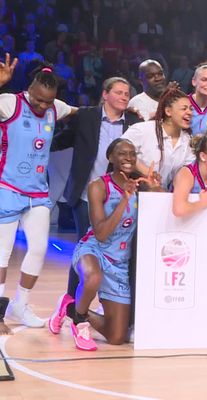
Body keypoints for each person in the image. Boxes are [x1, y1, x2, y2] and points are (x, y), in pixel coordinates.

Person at [48, 77, 143, 335]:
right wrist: (37, 144)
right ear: (105, 94)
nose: (125, 96)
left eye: (127, 93)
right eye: (119, 92)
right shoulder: (87, 116)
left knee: (117, 248)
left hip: (122, 193)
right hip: (87, 193)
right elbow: (63, 139)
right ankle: (74, 308)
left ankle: (98, 306)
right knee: (88, 250)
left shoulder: (134, 123)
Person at [0, 58, 78, 335]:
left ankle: (21, 305)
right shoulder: (10, 103)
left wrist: (122, 108)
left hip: (38, 193)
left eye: (49, 102)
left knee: (38, 249)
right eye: (38, 100)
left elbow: (82, 113)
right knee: (2, 255)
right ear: (29, 89)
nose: (43, 106)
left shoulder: (55, 108)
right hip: (6, 188)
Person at [69, 138, 160, 350]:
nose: (128, 158)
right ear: (110, 157)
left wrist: (155, 187)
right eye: (122, 153)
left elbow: (162, 207)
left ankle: (70, 308)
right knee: (93, 276)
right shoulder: (98, 186)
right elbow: (100, 233)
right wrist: (124, 200)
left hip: (119, 263)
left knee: (117, 337)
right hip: (94, 250)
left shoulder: (140, 186)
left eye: (132, 153)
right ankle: (79, 323)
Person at [122, 87, 195, 189]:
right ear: (168, 111)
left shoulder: (187, 141)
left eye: (191, 109)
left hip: (162, 196)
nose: (190, 112)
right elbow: (118, 150)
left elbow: (188, 171)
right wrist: (147, 172)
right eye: (184, 108)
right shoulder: (143, 130)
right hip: (131, 191)